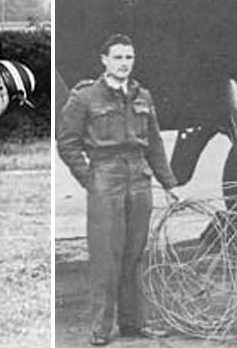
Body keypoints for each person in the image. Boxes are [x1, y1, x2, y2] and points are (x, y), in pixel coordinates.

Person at [57, 33, 179, 346]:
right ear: (104, 60)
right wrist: (90, 179)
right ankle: (101, 329)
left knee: (135, 254)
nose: (125, 63)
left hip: (139, 178)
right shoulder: (84, 97)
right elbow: (67, 143)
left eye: (129, 57)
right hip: (105, 177)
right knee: (105, 257)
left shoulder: (143, 96)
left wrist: (169, 183)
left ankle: (134, 324)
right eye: (118, 57)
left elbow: (154, 144)